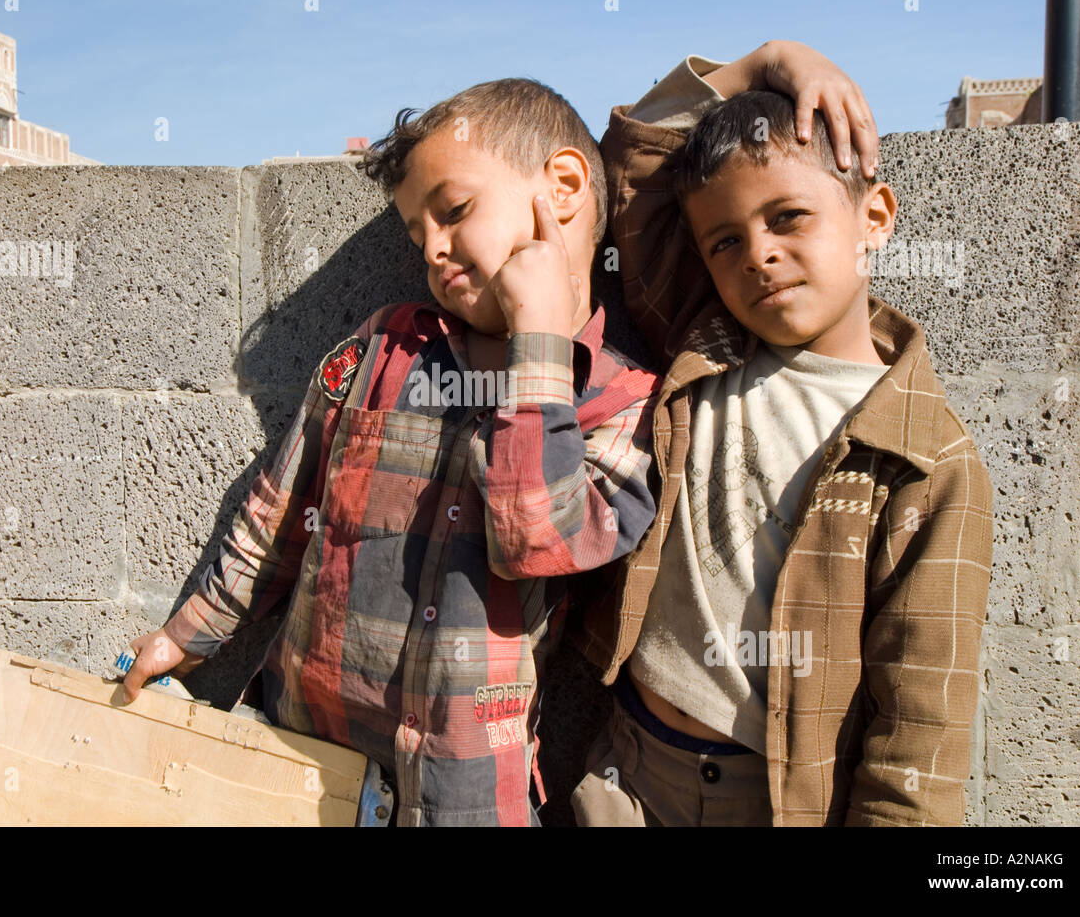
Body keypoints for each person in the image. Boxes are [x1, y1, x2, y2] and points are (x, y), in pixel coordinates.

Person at [121, 77, 660, 826]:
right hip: (301, 767)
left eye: (456, 211)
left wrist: (538, 336)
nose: (434, 249)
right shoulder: (383, 352)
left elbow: (535, 536)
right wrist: (187, 638)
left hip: (463, 797)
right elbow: (276, 517)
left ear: (563, 187)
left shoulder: (622, 402)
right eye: (416, 235)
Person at [571, 42, 994, 826]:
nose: (759, 255)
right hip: (627, 768)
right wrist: (773, 61)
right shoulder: (699, 342)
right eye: (724, 242)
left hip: (773, 803)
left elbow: (920, 731)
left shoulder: (927, 459)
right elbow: (637, 158)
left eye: (789, 217)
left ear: (874, 218)